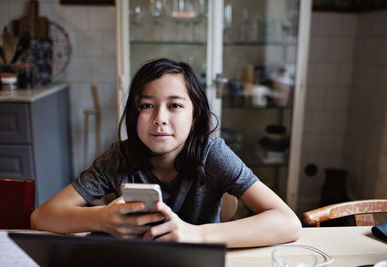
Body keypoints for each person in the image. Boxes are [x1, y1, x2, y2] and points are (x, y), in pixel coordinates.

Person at [31, 58, 301, 248]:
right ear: (135, 114)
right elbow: (42, 217)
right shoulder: (119, 157)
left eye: (174, 105)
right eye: (147, 105)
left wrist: (196, 235)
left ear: (195, 117)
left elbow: (288, 223)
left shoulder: (213, 155)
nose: (159, 118)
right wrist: (100, 218)